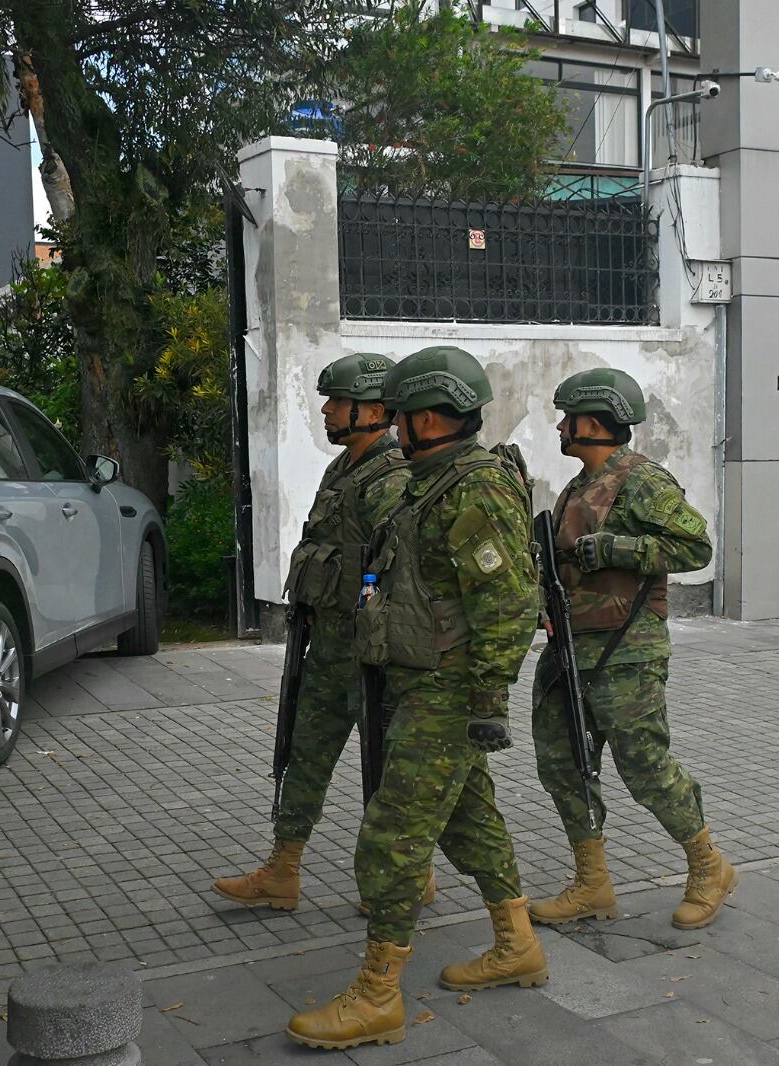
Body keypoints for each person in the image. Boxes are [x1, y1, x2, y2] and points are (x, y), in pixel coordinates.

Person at [287, 346, 546, 1052]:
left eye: (402, 414)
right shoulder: (423, 483)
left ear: (430, 415)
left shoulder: (475, 488)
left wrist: (490, 698)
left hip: (447, 692)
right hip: (415, 681)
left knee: (391, 838)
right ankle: (516, 942)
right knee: (471, 823)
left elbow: (511, 603)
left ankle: (377, 995)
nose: (394, 427)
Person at [211, 353, 436, 913]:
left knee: (385, 768)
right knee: (304, 753)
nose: (327, 410)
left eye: (338, 401)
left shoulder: (390, 478)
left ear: (377, 410)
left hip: (374, 654)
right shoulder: (345, 469)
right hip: (330, 646)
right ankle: (283, 870)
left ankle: (414, 875)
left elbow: (403, 570)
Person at [529, 367, 734, 931]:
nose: (561, 427)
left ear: (593, 421)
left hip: (626, 651)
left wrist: (617, 547)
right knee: (563, 764)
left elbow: (695, 546)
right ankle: (592, 883)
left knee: (643, 766)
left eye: (568, 418)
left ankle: (708, 865)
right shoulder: (576, 485)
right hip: (570, 647)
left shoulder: (641, 481)